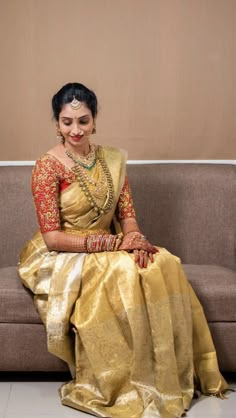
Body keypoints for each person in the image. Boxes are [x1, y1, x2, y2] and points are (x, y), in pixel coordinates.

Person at [18, 82, 228, 418]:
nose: (76, 129)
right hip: (64, 253)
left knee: (164, 262)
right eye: (67, 122)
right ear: (56, 124)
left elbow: (127, 216)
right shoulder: (47, 166)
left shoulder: (112, 160)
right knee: (123, 270)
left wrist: (135, 239)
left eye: (83, 121)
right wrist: (110, 243)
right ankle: (126, 383)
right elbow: (52, 237)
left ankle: (170, 375)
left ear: (95, 120)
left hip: (112, 244)